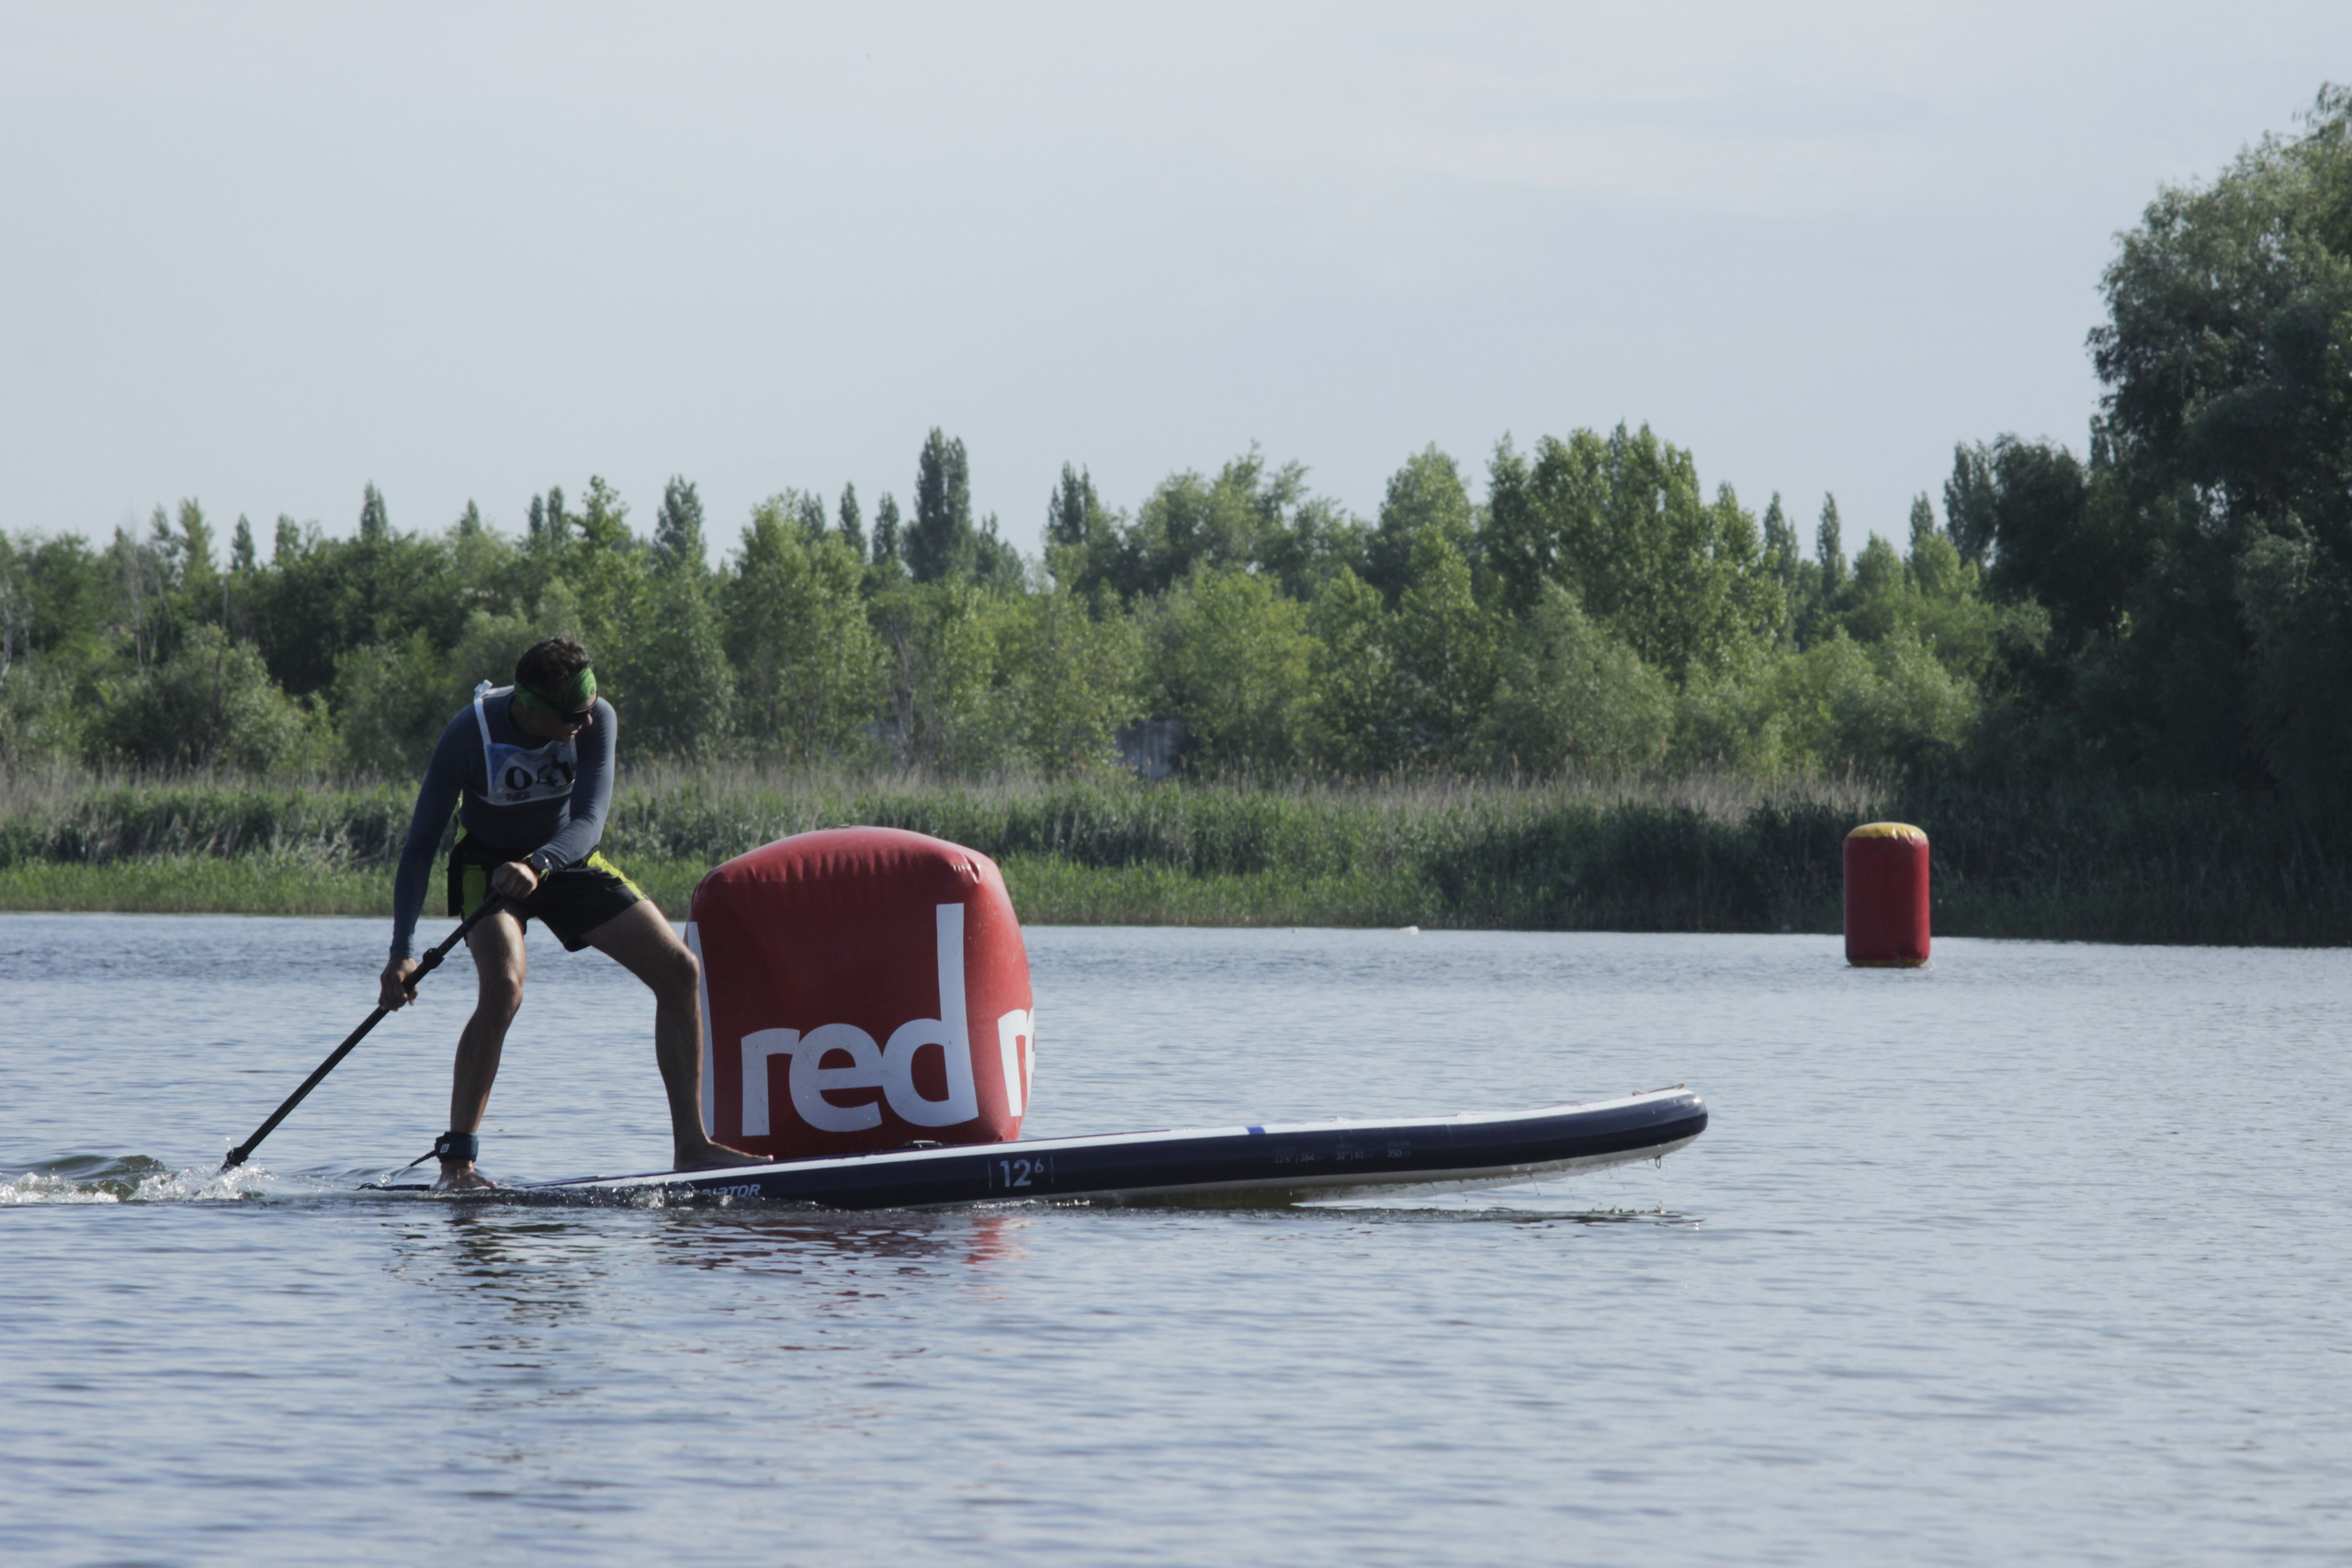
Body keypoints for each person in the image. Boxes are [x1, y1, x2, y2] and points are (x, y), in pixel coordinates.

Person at [377, 635, 760, 1190]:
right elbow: (417, 849)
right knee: (504, 988)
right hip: (487, 865)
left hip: (563, 856)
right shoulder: (469, 734)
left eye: (588, 709)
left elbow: (589, 822)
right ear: (532, 708)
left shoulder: (597, 716)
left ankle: (692, 1149)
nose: (584, 722)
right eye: (571, 715)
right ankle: (457, 1167)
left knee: (680, 970)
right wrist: (401, 954)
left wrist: (538, 863)